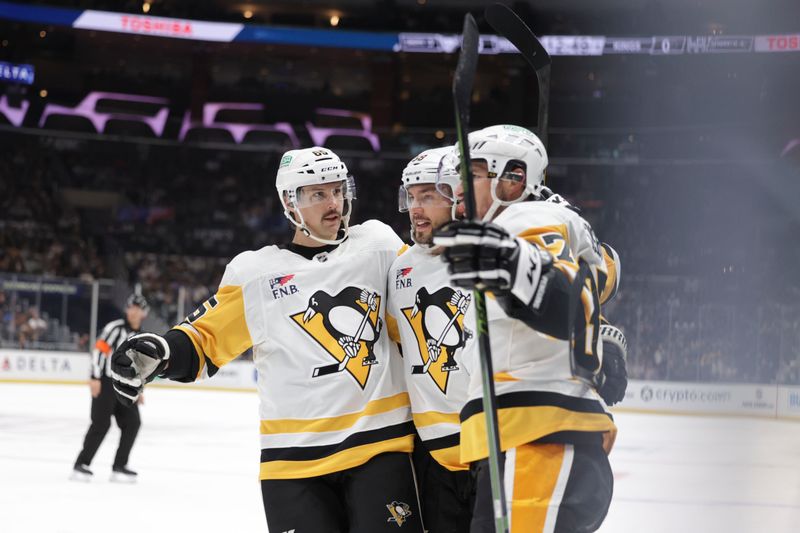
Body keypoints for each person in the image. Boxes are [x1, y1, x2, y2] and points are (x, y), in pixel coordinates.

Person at [109, 147, 423, 533]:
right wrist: (161, 352)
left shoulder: (379, 245)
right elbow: (204, 338)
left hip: (380, 447)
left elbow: (417, 309)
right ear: (290, 203)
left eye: (338, 190)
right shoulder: (257, 274)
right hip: (292, 463)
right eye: (317, 194)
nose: (334, 203)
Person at [433, 124, 624, 532]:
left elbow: (563, 294)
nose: (458, 185)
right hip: (530, 439)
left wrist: (511, 264)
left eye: (474, 171)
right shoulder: (539, 220)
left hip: (536, 441)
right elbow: (597, 282)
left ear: (512, 177)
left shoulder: (524, 219)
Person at [387, 147, 475, 532]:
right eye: (411, 196)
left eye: (427, 196)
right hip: (433, 452)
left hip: (494, 446)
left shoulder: (497, 253)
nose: (415, 208)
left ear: (457, 197)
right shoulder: (400, 267)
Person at [72, 294, 148, 483]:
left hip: (125, 386)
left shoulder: (141, 337)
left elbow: (140, 365)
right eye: (131, 307)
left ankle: (119, 467)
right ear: (126, 309)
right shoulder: (114, 328)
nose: (134, 312)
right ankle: (81, 464)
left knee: (133, 423)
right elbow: (99, 350)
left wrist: (139, 389)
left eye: (138, 309)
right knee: (101, 424)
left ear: (144, 313)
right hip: (106, 381)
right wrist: (94, 376)